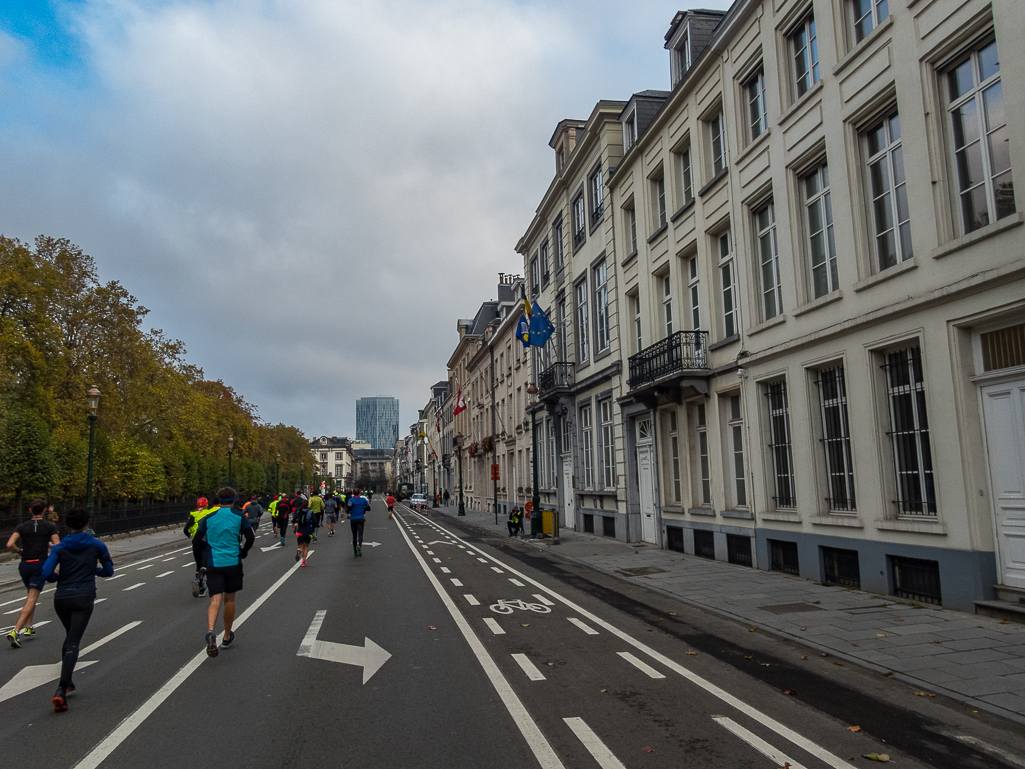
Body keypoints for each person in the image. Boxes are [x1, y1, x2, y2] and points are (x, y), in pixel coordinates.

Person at [41, 507, 114, 711]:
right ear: (87, 524)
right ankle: (61, 688)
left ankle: (69, 680)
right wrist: (94, 570)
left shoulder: (59, 548)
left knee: (69, 636)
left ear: (68, 525)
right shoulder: (97, 545)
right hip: (84, 596)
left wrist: (59, 577)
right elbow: (109, 571)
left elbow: (46, 573)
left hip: (62, 597)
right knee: (74, 640)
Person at [195, 487, 254, 658]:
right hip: (233, 562)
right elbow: (250, 537)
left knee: (215, 600)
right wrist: (244, 551)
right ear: (234, 500)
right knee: (229, 600)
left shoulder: (209, 518)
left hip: (214, 563)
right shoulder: (239, 516)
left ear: (218, 500)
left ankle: (211, 630)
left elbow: (197, 541)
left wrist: (200, 564)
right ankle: (226, 636)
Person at [6, 499, 60, 648]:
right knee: (32, 597)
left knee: (30, 593)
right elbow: (58, 547)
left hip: (25, 564)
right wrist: (53, 564)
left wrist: (19, 551)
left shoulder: (22, 526)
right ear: (45, 510)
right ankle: (16, 631)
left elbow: (10, 544)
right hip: (39, 563)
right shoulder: (50, 527)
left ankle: (29, 626)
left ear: (30, 510)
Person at [184, 497, 213, 598]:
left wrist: (190, 535)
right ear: (206, 505)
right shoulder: (209, 513)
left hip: (196, 541)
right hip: (206, 540)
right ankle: (202, 581)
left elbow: (185, 529)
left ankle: (200, 586)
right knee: (205, 564)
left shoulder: (193, 515)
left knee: (198, 564)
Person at [293, 499, 315, 565]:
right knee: (306, 547)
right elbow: (315, 521)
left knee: (300, 546)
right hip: (308, 531)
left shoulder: (298, 511)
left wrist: (296, 522)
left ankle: (299, 551)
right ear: (308, 504)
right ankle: (303, 561)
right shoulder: (310, 512)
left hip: (300, 531)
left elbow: (293, 520)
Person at [348, 492, 370, 557]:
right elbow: (368, 508)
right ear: (359, 494)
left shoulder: (350, 500)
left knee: (354, 535)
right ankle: (359, 545)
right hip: (360, 518)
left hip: (353, 519)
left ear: (353, 494)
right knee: (360, 534)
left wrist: (350, 511)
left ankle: (355, 551)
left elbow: (348, 508)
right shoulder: (363, 500)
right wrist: (363, 508)